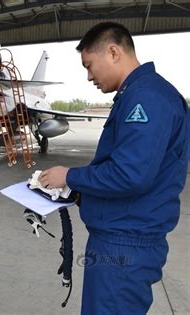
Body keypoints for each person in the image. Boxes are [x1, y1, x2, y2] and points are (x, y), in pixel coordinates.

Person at [38, 22, 188, 314]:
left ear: (113, 52)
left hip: (124, 245)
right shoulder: (141, 94)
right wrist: (81, 192)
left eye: (89, 65)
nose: (89, 76)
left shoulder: (146, 98)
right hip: (122, 238)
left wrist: (68, 175)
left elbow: (130, 174)